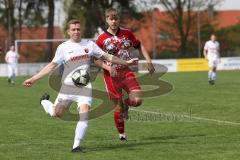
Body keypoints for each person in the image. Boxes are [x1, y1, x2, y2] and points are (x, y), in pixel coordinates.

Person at [22, 19, 138, 152]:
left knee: (84, 113)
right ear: (68, 32)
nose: (76, 31)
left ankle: (76, 146)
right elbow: (51, 66)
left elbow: (108, 57)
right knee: (56, 112)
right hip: (67, 87)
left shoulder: (89, 44)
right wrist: (33, 78)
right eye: (73, 29)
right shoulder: (63, 47)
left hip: (84, 87)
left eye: (78, 29)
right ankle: (44, 102)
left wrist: (126, 63)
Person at [94, 8, 155, 141]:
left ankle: (127, 104)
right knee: (118, 107)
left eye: (116, 19)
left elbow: (139, 45)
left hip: (126, 72)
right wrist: (107, 68)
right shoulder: (100, 39)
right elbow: (95, 58)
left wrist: (148, 60)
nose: (114, 21)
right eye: (111, 19)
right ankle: (122, 135)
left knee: (138, 100)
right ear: (106, 20)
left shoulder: (127, 33)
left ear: (119, 19)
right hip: (110, 75)